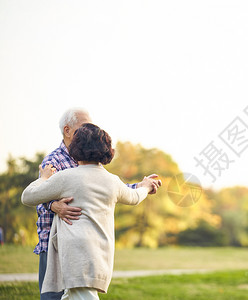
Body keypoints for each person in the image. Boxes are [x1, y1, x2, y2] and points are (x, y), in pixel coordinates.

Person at [22, 123, 162, 299]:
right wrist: (146, 187)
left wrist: (43, 178)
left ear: (76, 149)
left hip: (75, 256)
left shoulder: (66, 177)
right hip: (99, 254)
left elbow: (28, 197)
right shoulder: (112, 180)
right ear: (106, 151)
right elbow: (134, 197)